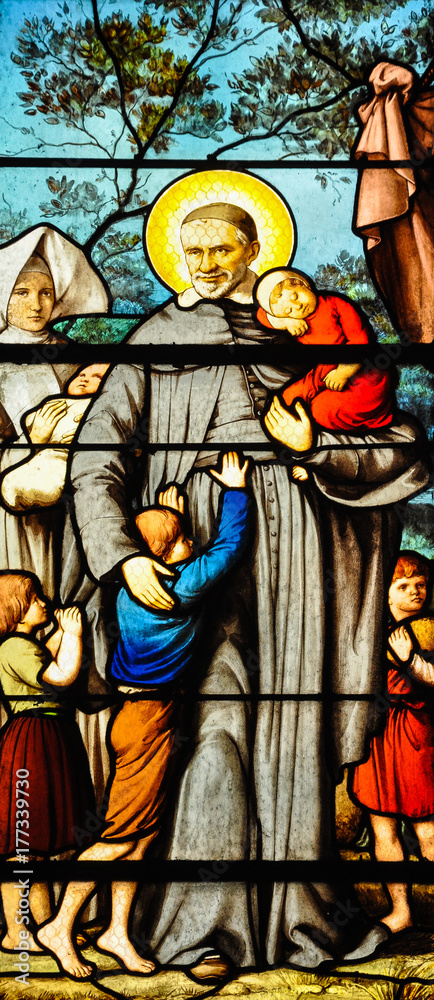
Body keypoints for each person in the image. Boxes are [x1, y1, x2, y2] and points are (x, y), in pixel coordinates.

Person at [60, 191, 428, 977]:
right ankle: (204, 924)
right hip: (196, 556)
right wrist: (124, 555)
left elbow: (399, 442)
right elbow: (96, 460)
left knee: (290, 730)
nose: (205, 263)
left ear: (255, 249)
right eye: (191, 251)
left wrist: (316, 449)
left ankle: (299, 915)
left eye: (222, 248)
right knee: (214, 727)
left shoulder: (308, 332)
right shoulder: (159, 336)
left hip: (301, 554)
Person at [39, 452, 251, 978]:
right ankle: (59, 927)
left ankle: (116, 930)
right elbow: (227, 548)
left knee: (139, 837)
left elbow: (169, 547)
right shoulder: (182, 586)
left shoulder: (132, 587)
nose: (189, 544)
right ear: (165, 554)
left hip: (139, 715)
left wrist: (164, 512)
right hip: (148, 719)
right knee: (116, 839)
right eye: (180, 540)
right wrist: (236, 492)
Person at [0, 225, 109, 597]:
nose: (37, 304)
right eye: (23, 292)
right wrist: (29, 444)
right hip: (10, 502)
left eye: (46, 293)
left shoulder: (73, 355)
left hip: (75, 492)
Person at [0, 572, 95, 954]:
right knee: (21, 847)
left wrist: (60, 633)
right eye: (36, 597)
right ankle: (15, 932)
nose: (44, 602)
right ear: (18, 609)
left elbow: (49, 659)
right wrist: (71, 635)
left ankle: (41, 927)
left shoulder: (25, 644)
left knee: (35, 846)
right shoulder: (13, 648)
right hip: (30, 745)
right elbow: (60, 675)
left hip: (47, 740)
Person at [350, 551, 434, 935]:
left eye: (420, 584)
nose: (415, 592)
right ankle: (401, 911)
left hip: (416, 736)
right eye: (404, 586)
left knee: (428, 834)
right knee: (383, 830)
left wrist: (410, 659)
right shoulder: (367, 631)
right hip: (378, 739)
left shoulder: (431, 629)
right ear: (383, 593)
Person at [256, 268, 394, 431]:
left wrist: (343, 371)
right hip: (322, 372)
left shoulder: (335, 304)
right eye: (289, 310)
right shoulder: (295, 321)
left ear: (303, 284)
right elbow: (260, 314)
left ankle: (370, 426)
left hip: (364, 371)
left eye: (295, 296)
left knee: (322, 410)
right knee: (286, 400)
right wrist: (286, 321)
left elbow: (360, 341)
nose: (297, 306)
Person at [0, 365, 110, 512]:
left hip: (67, 461)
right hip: (39, 458)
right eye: (81, 376)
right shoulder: (53, 404)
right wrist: (34, 439)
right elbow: (30, 423)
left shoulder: (101, 407)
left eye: (96, 378)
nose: (84, 380)